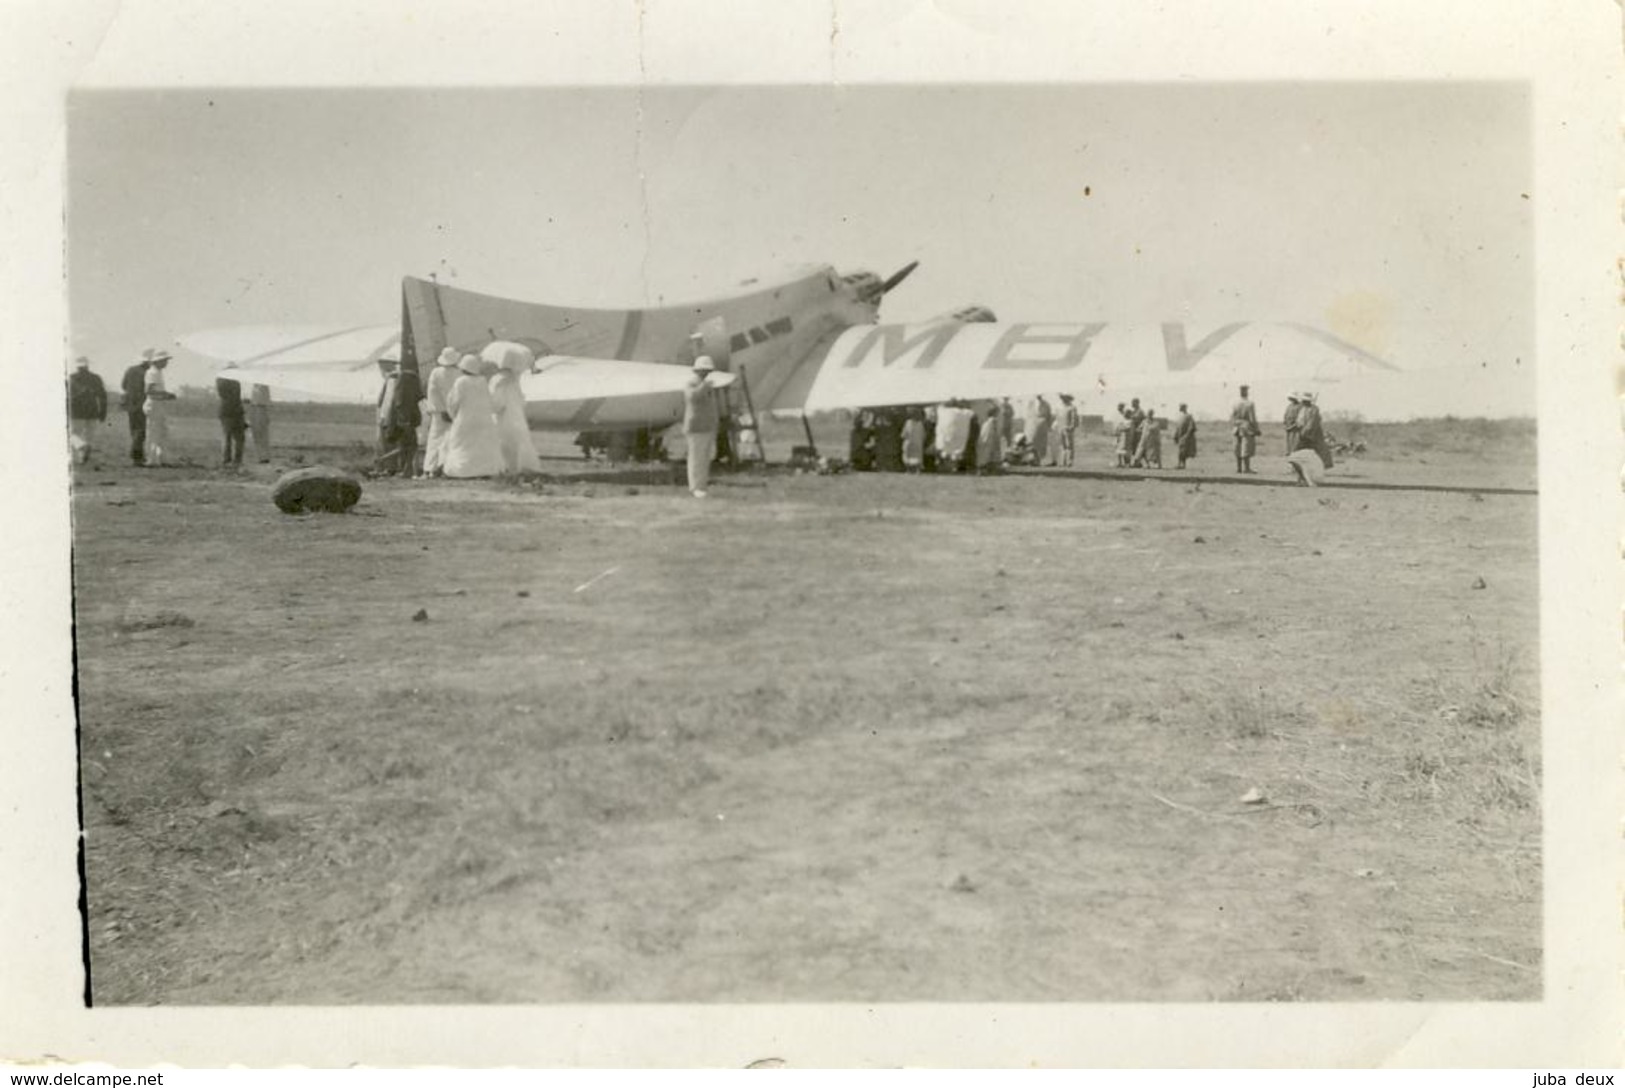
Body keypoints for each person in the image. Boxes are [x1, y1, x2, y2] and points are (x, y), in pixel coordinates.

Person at [441, 353, 505, 478]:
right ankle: (484, 471)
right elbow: (488, 400)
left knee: (462, 444)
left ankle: (461, 471)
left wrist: (453, 416)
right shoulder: (482, 381)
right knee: (481, 445)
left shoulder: (461, 381)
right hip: (483, 419)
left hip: (465, 418)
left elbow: (453, 401)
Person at [489, 354, 540, 475]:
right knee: (520, 441)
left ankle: (506, 468)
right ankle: (523, 468)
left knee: (504, 442)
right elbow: (522, 400)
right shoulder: (515, 379)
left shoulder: (496, 380)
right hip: (517, 416)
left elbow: (497, 403)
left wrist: (491, 408)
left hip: (503, 417)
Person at [683, 356, 722, 497]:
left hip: (707, 427)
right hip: (696, 427)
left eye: (707, 370)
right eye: (703, 370)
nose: (706, 373)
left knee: (705, 458)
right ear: (697, 370)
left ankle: (702, 486)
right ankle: (695, 487)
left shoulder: (706, 385)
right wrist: (705, 386)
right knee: (696, 458)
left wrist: (714, 423)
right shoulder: (692, 383)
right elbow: (692, 397)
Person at [376, 361, 424, 476]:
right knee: (409, 446)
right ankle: (405, 469)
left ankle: (387, 464)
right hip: (406, 419)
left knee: (404, 446)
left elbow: (384, 402)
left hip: (396, 418)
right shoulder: (411, 379)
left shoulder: (393, 380)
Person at [420, 347, 459, 477]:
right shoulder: (458, 373)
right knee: (450, 441)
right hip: (452, 411)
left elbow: (433, 392)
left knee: (435, 440)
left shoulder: (436, 372)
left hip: (438, 411)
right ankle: (444, 467)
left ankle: (430, 468)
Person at [66, 356, 107, 465]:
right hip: (92, 411)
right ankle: (82, 457)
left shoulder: (71, 378)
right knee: (90, 436)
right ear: (87, 365)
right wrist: (103, 411)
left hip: (76, 411)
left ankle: (81, 447)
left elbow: (66, 397)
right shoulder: (96, 378)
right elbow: (102, 396)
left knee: (73, 434)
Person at [142, 351, 176, 466]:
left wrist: (165, 396)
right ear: (158, 361)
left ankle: (163, 458)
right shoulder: (152, 373)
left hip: (159, 404)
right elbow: (149, 391)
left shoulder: (158, 372)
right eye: (164, 360)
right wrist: (165, 395)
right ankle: (152, 459)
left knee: (163, 433)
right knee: (153, 433)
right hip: (154, 404)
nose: (166, 363)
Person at [120, 352, 152, 466]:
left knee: (134, 430)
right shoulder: (148, 372)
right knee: (140, 431)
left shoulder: (130, 370)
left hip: (130, 404)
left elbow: (123, 385)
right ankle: (137, 457)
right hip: (142, 404)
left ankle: (138, 456)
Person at [216, 376, 247, 468]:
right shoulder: (234, 382)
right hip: (233, 412)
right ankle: (235, 460)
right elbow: (234, 397)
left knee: (229, 437)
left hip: (228, 411)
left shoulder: (221, 381)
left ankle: (228, 460)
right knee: (236, 438)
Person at [1229, 384, 1260, 474]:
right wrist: (1256, 429)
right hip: (1246, 427)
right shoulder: (1249, 403)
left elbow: (1232, 417)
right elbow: (1252, 418)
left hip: (1236, 427)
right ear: (1246, 392)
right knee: (1246, 448)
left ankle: (1239, 468)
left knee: (1237, 448)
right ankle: (1246, 468)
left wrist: (1235, 424)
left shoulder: (1235, 403)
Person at [247, 383, 272, 463]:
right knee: (257, 434)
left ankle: (264, 456)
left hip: (261, 408)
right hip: (256, 408)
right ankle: (261, 456)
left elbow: (261, 400)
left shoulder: (262, 385)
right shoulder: (256, 385)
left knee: (262, 434)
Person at [976, 406, 1003, 473]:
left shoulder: (986, 422)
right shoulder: (993, 420)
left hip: (987, 439)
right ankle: (987, 468)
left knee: (987, 454)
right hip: (990, 439)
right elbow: (994, 431)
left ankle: (986, 468)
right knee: (990, 454)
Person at [1057, 393, 1080, 467]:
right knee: (1062, 446)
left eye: (1064, 398)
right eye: (1062, 398)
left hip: (1068, 429)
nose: (1063, 399)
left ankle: (1069, 462)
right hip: (1061, 428)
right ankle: (1062, 462)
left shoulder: (1072, 407)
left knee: (1069, 446)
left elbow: (1074, 418)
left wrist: (1072, 426)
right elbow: (1058, 418)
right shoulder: (1059, 407)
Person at [1172, 403, 1197, 469]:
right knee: (1181, 451)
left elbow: (1192, 427)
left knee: (1183, 451)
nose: (1179, 408)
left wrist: (1187, 436)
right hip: (1180, 437)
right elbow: (1177, 427)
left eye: (1181, 407)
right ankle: (1180, 464)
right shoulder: (1180, 417)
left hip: (1185, 438)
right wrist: (1175, 436)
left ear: (1184, 408)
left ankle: (1181, 465)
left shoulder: (1189, 416)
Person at [901, 408, 925, 472]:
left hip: (909, 442)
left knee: (907, 456)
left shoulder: (908, 423)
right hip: (918, 443)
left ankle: (908, 469)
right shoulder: (920, 424)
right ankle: (917, 469)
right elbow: (923, 435)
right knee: (917, 456)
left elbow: (904, 434)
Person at [1111, 403, 1130, 467]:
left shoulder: (1124, 415)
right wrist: (1114, 431)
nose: (1118, 408)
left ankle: (1125, 463)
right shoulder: (1116, 415)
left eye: (1120, 407)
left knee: (1123, 448)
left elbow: (1124, 424)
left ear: (1122, 407)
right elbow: (1115, 424)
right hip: (1117, 433)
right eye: (1118, 406)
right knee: (1117, 448)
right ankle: (1119, 462)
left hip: (1122, 434)